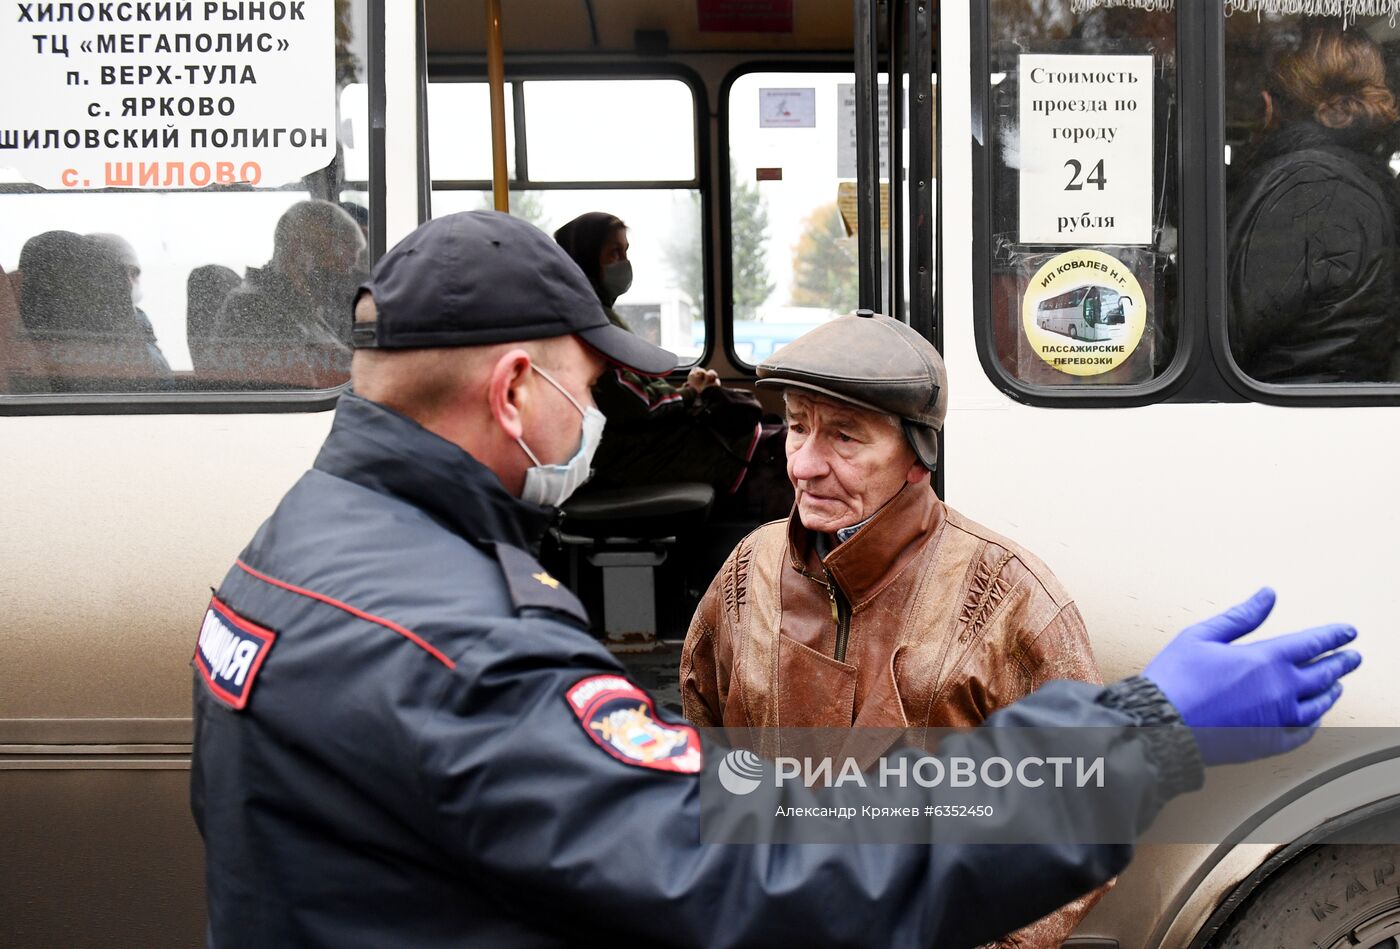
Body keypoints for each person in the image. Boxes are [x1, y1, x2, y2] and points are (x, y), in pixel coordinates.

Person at [191, 209, 1361, 948]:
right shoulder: (469, 645)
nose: (593, 415)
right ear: (511, 390)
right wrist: (1139, 737)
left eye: (842, 436)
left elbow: (722, 797)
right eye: (586, 385)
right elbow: (734, 843)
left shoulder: (299, 547)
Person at [679, 310, 1106, 945]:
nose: (803, 465)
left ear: (918, 456)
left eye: (845, 438)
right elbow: (701, 750)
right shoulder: (751, 571)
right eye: (797, 429)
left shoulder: (1008, 596)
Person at [554, 211, 782, 513]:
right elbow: (633, 404)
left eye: (625, 252)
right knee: (770, 449)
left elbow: (638, 384)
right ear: (584, 260)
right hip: (620, 454)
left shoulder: (597, 315)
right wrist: (690, 395)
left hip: (631, 442)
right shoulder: (587, 324)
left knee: (769, 432)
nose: (624, 262)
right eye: (614, 253)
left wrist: (688, 391)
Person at [1228, 29, 1400, 383]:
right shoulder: (1355, 178)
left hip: (1288, 404)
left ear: (1270, 105)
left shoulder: (1308, 188)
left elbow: (1228, 328)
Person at [211, 200, 367, 384]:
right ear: (297, 250)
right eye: (337, 271)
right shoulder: (254, 308)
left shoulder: (299, 307)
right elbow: (306, 391)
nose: (345, 282)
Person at [16, 230, 170, 389]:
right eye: (130, 272)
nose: (132, 281)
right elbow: (162, 385)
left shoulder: (24, 333)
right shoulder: (118, 342)